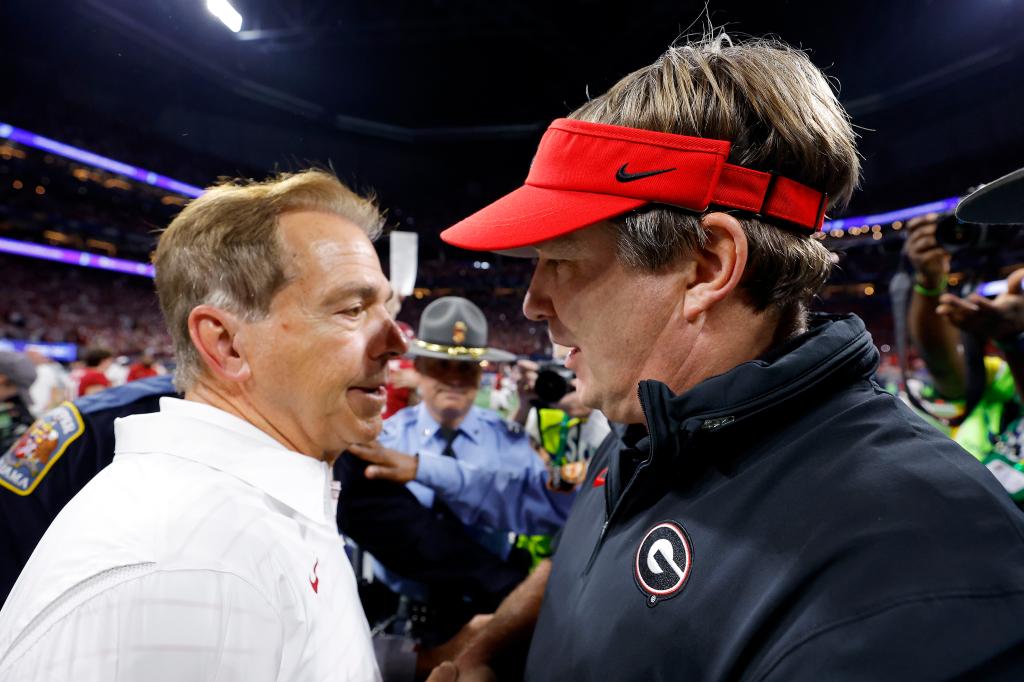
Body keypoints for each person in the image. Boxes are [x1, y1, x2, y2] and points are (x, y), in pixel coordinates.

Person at [432, 34, 1024, 680]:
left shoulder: (922, 564)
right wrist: (498, 648)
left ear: (707, 266)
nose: (531, 303)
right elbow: (590, 558)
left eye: (563, 260)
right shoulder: (650, 420)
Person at [0, 170, 403, 681]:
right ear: (226, 344)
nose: (396, 340)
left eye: (385, 307)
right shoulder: (185, 571)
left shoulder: (240, 524)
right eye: (352, 308)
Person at [346, 297, 575, 643]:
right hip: (400, 620)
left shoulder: (510, 441)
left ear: (481, 372)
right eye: (441, 366)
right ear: (419, 368)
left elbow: (550, 514)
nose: (454, 379)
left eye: (465, 368)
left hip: (487, 619)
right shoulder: (385, 439)